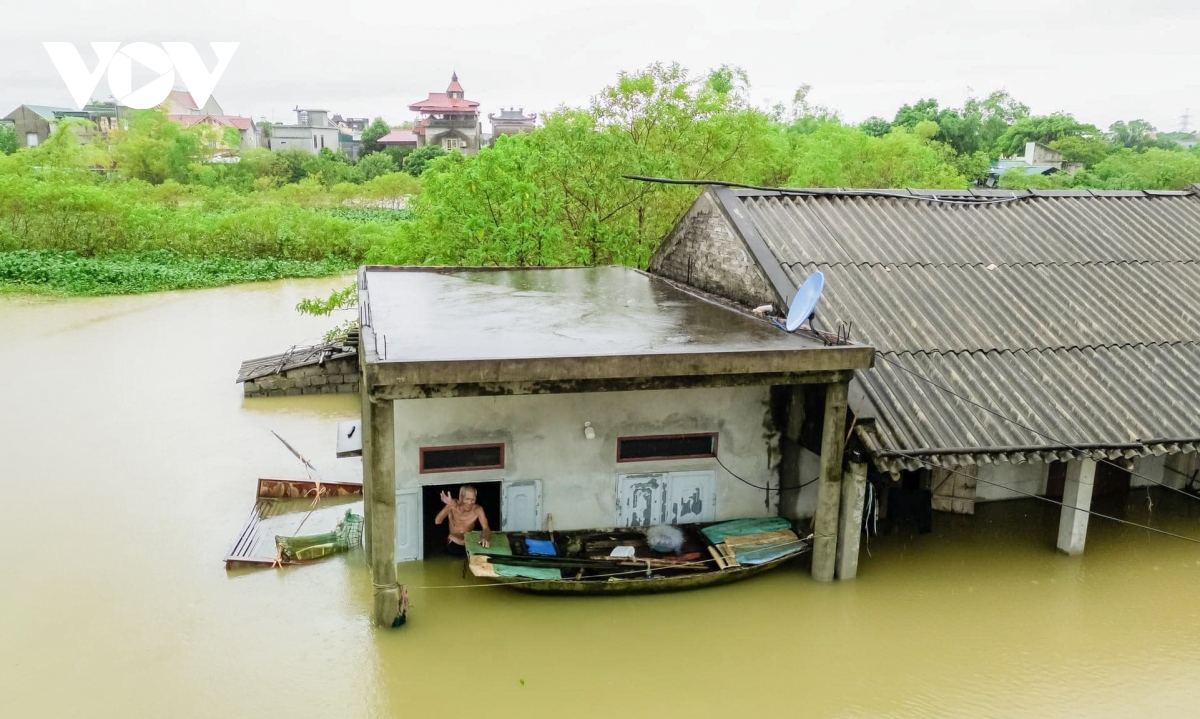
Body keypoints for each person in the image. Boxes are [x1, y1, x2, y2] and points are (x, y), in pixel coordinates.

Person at [434, 485, 490, 557]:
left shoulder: (478, 509)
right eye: (467, 499)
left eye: (473, 499)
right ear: (461, 497)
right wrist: (449, 506)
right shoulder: (453, 504)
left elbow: (486, 528)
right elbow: (437, 521)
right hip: (454, 542)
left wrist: (485, 538)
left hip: (468, 542)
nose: (470, 502)